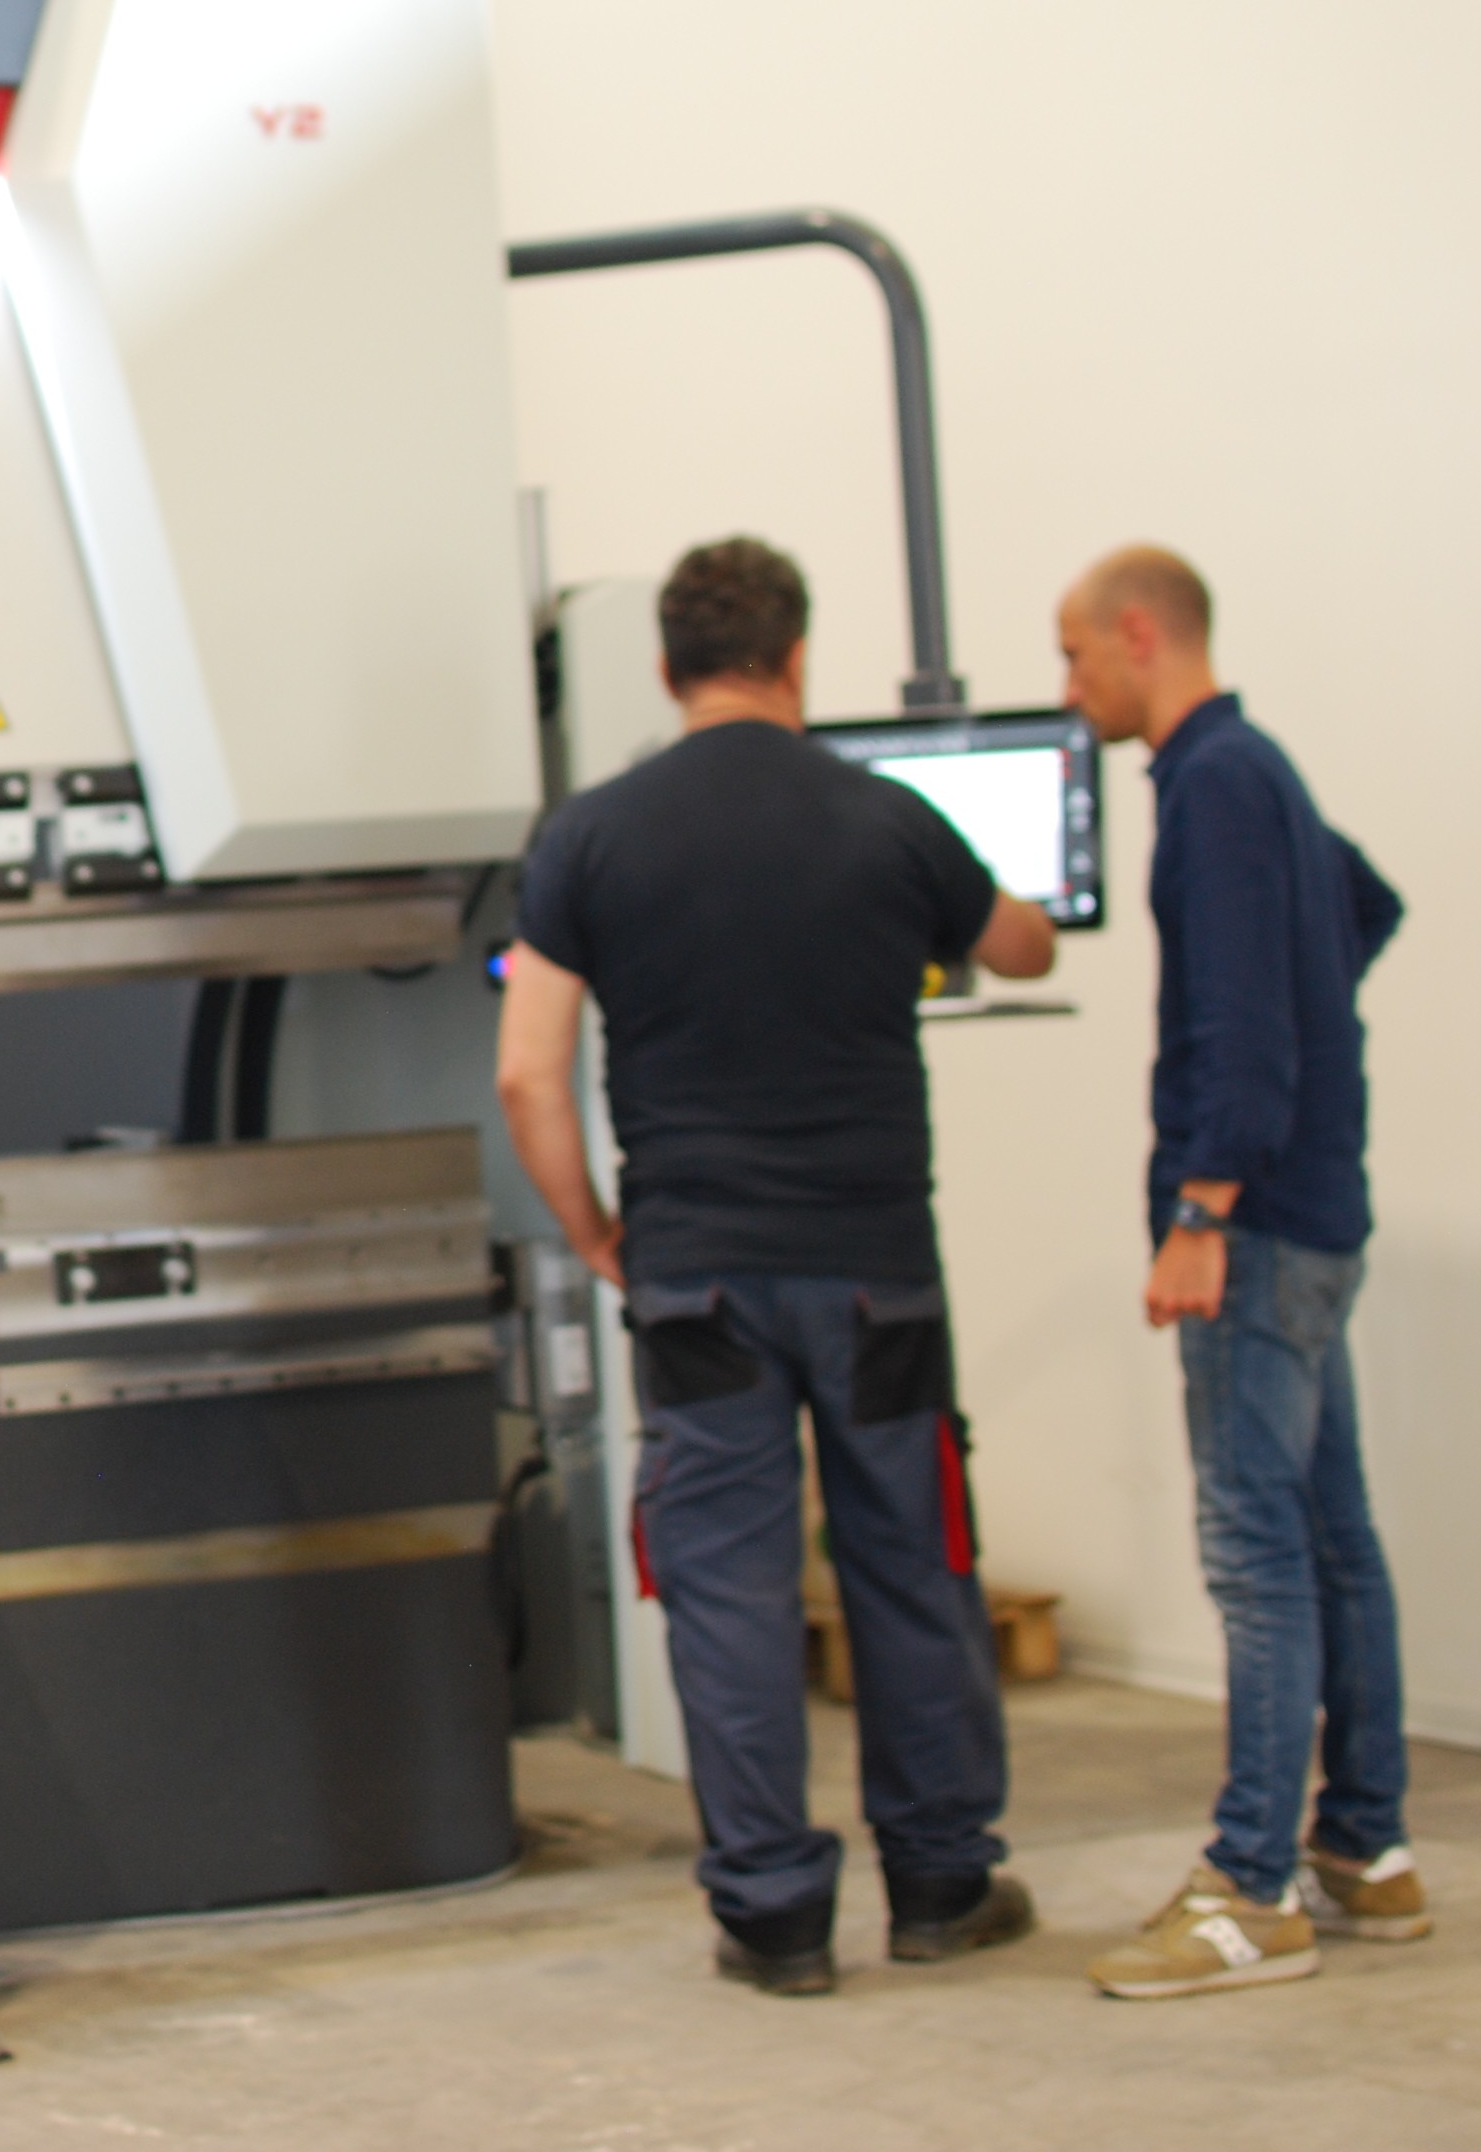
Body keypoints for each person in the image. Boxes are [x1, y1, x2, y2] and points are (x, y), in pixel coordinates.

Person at [496, 536, 1057, 1996]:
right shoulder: (890, 816)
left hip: (698, 1281)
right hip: (878, 1272)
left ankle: (776, 1918)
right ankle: (940, 1884)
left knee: (729, 1590)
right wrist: (994, 907)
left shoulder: (590, 836)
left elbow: (527, 1074)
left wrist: (594, 1232)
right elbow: (1022, 948)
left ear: (665, 667)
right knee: (911, 1565)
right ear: (797, 656)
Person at [1057, 545, 1420, 2000]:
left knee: (1258, 1555)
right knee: (1333, 1539)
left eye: (1077, 654)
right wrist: (1305, 1067)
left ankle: (1251, 1887)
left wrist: (1202, 1205)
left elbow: (1242, 1014)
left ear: (1142, 635)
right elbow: (1363, 910)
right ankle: (1367, 1850)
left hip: (1254, 1226)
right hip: (1316, 1210)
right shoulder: (1258, 771)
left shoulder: (1212, 785)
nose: (1070, 684)